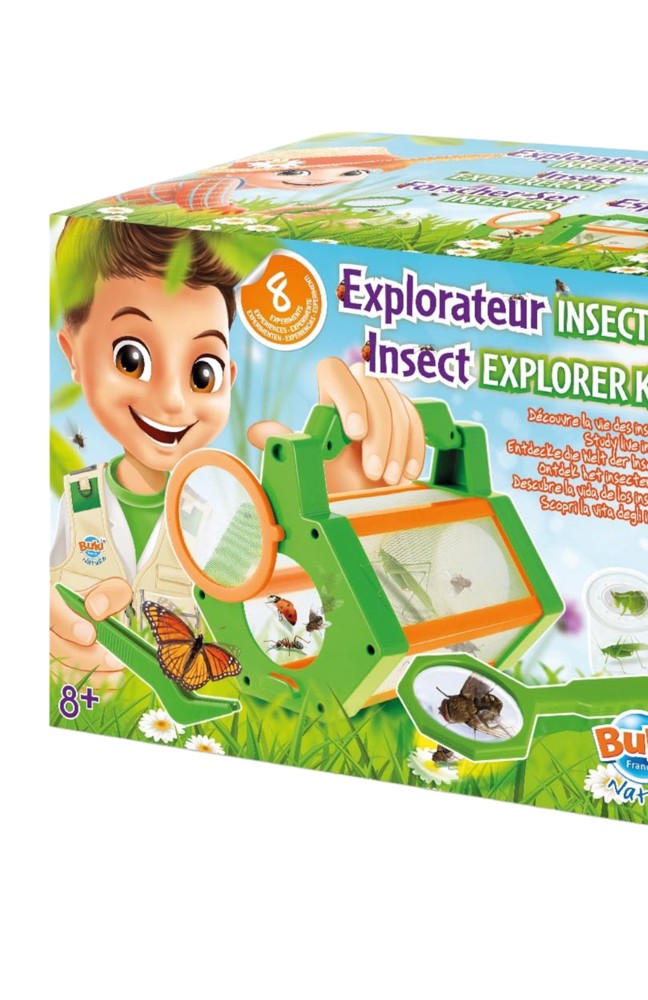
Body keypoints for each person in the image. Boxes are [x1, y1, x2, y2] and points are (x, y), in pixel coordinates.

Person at [50, 218, 424, 690]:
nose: (173, 400)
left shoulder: (225, 513)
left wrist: (326, 490)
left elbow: (264, 610)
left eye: (201, 373)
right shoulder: (77, 498)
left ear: (227, 378)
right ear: (73, 354)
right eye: (131, 359)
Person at [110, 144, 497, 214]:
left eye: (353, 174)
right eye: (295, 172)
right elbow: (206, 206)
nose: (318, 182)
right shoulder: (220, 182)